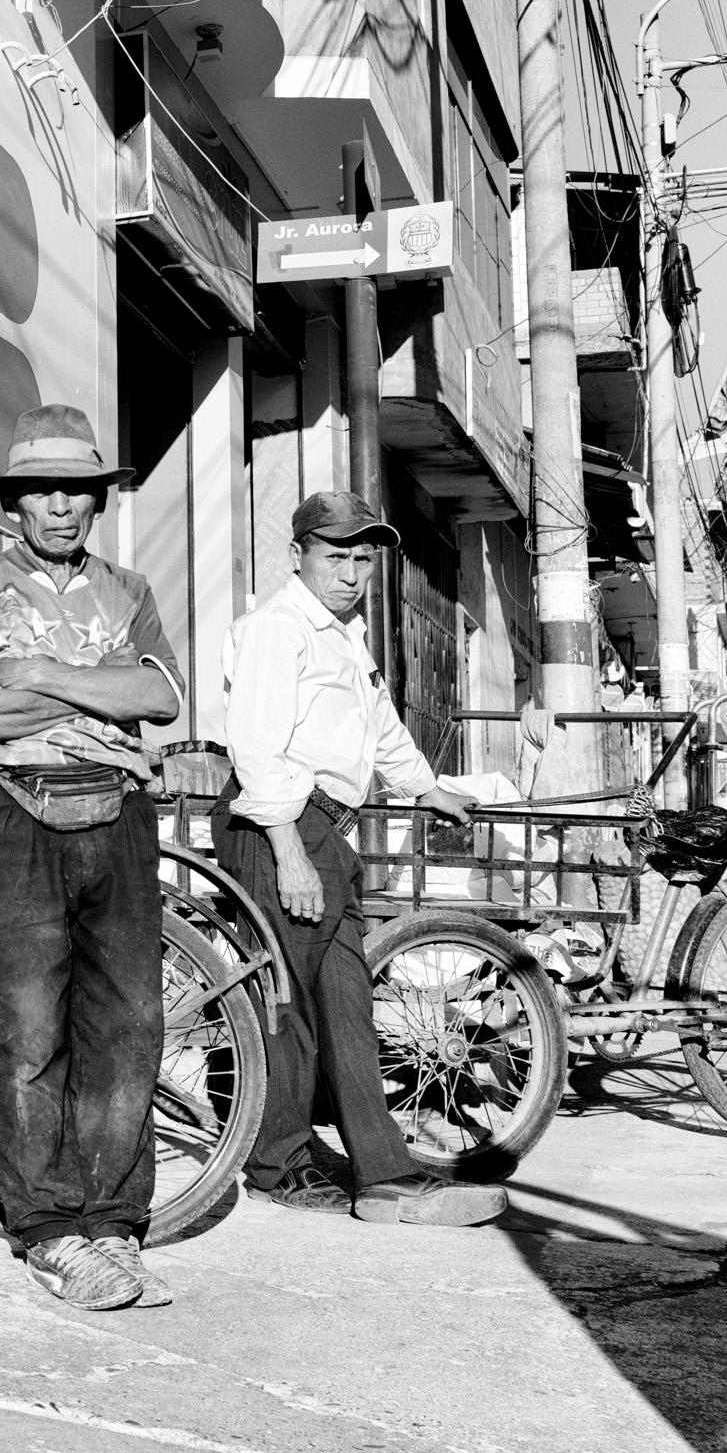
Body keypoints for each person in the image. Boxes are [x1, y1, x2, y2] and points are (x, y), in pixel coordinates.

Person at [0, 403, 185, 1311]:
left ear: (97, 500)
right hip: (12, 811)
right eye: (41, 490)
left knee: (126, 1027)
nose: (59, 506)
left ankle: (115, 1220)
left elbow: (160, 696)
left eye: (76, 490)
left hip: (118, 811)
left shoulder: (130, 588)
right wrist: (102, 696)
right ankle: (48, 1231)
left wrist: (38, 676)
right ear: (15, 501)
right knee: (28, 1029)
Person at [213, 491, 508, 1226]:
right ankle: (277, 1165)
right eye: (335, 556)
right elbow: (255, 747)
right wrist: (287, 852)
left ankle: (382, 1173)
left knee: (343, 1004)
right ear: (297, 556)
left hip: (326, 829)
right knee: (288, 1007)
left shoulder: (343, 636)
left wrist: (428, 788)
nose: (350, 573)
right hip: (277, 826)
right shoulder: (275, 630)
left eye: (361, 559)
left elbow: (380, 732)